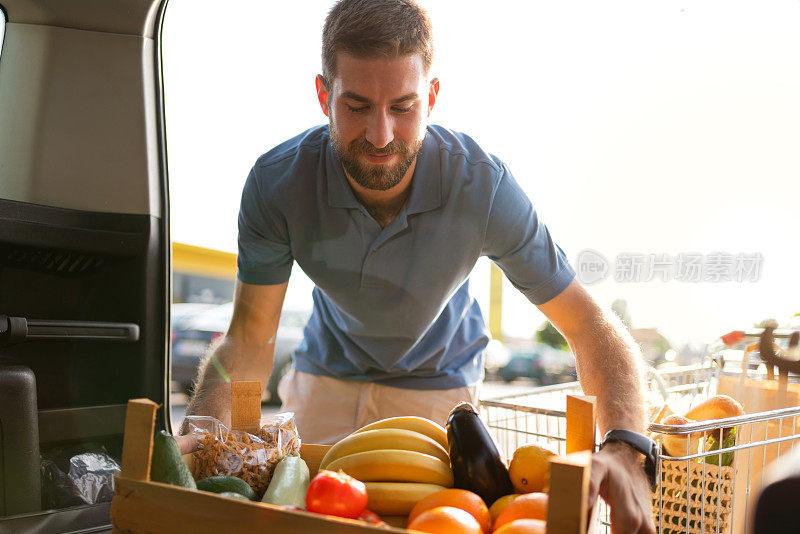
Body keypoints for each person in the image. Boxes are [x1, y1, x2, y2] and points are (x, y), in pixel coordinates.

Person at [183, 0, 656, 531]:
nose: (381, 135)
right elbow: (249, 335)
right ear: (324, 96)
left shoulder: (484, 188)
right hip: (325, 378)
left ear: (431, 96)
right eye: (357, 106)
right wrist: (203, 429)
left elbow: (589, 325)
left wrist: (628, 448)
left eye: (402, 107)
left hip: (439, 389)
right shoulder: (276, 183)